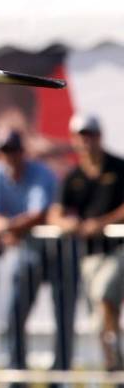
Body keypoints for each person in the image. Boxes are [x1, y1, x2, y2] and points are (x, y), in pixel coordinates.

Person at [0, 127, 73, 387]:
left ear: (22, 152)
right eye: (2, 151)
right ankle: (16, 374)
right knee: (15, 314)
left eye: (11, 150)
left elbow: (37, 214)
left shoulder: (40, 173)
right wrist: (9, 228)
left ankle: (60, 378)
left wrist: (6, 229)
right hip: (29, 253)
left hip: (60, 254)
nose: (7, 156)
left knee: (63, 318)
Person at [49, 113, 124, 371]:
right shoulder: (73, 176)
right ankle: (113, 366)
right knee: (101, 315)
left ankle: (114, 359)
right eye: (81, 136)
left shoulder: (118, 167)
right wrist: (67, 224)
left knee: (105, 293)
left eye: (90, 134)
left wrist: (101, 223)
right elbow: (55, 213)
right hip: (90, 255)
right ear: (74, 140)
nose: (86, 141)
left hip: (119, 249)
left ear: (99, 136)